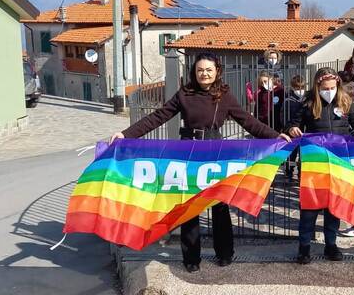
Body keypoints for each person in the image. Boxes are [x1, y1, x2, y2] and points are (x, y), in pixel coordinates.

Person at [109, 52, 291, 273]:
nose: (204, 74)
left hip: (216, 154)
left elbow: (248, 121)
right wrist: (125, 134)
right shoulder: (185, 94)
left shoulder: (225, 96)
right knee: (190, 208)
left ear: (217, 72)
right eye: (200, 70)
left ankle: (224, 253)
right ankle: (191, 258)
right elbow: (158, 116)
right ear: (194, 72)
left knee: (219, 206)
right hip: (189, 153)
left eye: (209, 70)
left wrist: (275, 136)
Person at [287, 67, 354, 265]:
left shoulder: (346, 102)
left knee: (334, 207)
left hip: (338, 164)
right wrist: (292, 128)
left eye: (333, 87)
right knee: (309, 208)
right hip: (314, 165)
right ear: (318, 87)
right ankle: (304, 247)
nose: (330, 91)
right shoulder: (307, 103)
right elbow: (292, 124)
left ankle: (331, 245)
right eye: (325, 88)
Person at [282, 75, 306, 181]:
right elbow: (283, 116)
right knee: (291, 153)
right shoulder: (288, 101)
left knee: (303, 155)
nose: (299, 91)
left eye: (302, 88)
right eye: (297, 88)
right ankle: (289, 172)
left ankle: (302, 174)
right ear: (292, 87)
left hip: (304, 132)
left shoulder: (307, 99)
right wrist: (287, 128)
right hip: (291, 132)